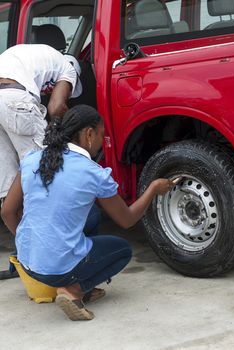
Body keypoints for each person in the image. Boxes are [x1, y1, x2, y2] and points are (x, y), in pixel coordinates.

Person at [1, 104, 175, 321]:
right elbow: (127, 219)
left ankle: (74, 279)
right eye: (102, 135)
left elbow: (7, 211)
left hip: (28, 263)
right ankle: (73, 289)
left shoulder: (31, 160)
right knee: (122, 250)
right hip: (58, 269)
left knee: (91, 215)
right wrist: (152, 189)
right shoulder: (93, 173)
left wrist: (32, 244)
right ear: (89, 134)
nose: (102, 142)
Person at [0, 43, 82, 203]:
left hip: (6, 94)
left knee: (8, 180)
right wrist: (65, 133)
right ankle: (47, 218)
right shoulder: (69, 69)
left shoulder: (35, 55)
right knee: (42, 165)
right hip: (15, 97)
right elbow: (56, 107)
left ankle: (19, 224)